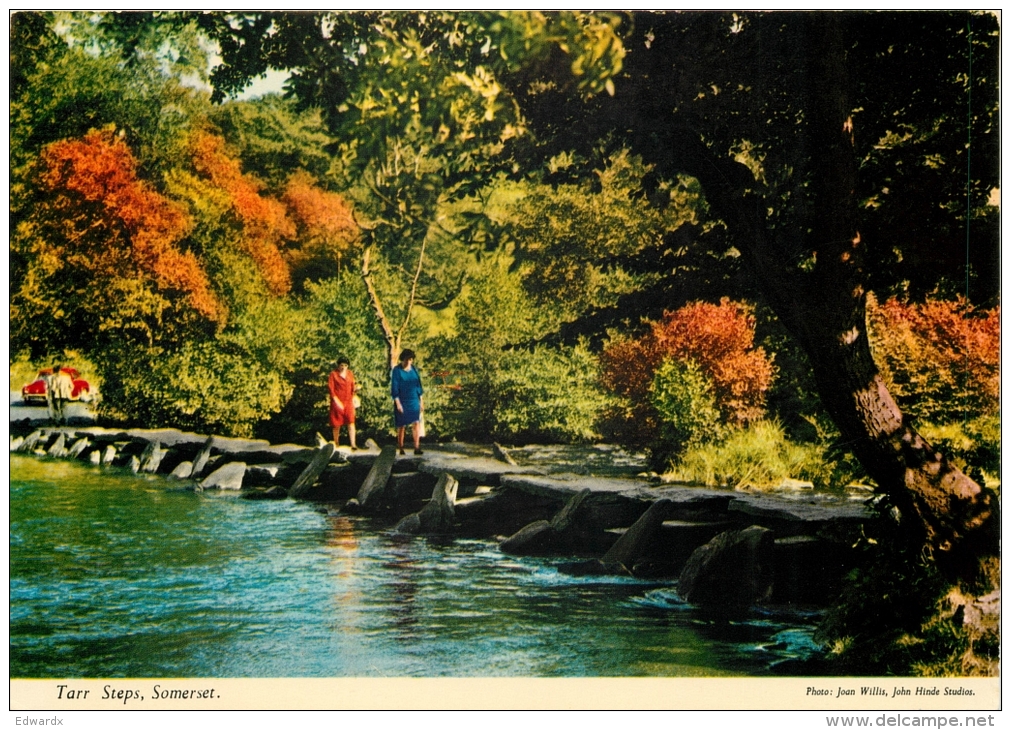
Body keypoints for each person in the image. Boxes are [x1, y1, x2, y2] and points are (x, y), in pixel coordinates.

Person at [391, 349, 424, 455]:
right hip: (402, 400)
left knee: (416, 422)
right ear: (403, 359)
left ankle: (417, 447)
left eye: (410, 360)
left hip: (414, 399)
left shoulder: (414, 369)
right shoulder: (397, 370)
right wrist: (398, 403)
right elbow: (394, 387)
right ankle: (401, 448)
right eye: (406, 360)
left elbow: (418, 385)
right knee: (401, 425)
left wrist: (421, 401)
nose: (408, 362)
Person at [328, 357, 359, 449]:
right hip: (337, 401)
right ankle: (336, 443)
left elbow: (352, 386)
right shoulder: (333, 374)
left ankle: (353, 444)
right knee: (336, 424)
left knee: (351, 422)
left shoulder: (350, 373)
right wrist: (336, 401)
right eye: (341, 365)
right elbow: (331, 389)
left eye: (345, 365)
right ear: (338, 365)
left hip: (348, 401)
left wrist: (355, 393)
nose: (343, 367)